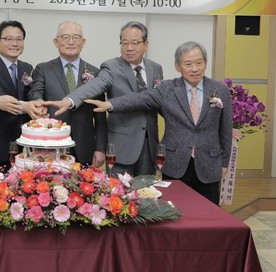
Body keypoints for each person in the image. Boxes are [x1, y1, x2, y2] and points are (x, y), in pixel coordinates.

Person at [74, 41, 233, 205]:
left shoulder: (220, 90)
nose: (194, 68)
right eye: (188, 64)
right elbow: (139, 99)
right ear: (177, 66)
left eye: (199, 63)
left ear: (205, 63)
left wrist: (224, 163)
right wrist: (109, 104)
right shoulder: (167, 89)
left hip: (209, 164)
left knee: (209, 211)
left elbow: (226, 130)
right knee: (175, 210)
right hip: (175, 163)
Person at [44, 21, 163, 177]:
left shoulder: (156, 68)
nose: (129, 48)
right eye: (124, 43)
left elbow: (157, 99)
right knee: (117, 191)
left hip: (149, 145)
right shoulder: (111, 67)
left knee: (147, 189)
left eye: (135, 43)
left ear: (145, 44)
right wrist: (69, 100)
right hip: (121, 147)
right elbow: (95, 85)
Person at [28, 21, 107, 166]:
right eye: (65, 37)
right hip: (51, 144)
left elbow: (100, 116)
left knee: (86, 181)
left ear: (83, 42)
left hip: (84, 147)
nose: (71, 42)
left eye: (76, 37)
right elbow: (35, 92)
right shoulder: (43, 69)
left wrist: (100, 148)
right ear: (56, 42)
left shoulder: (95, 73)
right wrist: (39, 103)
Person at [0, 20, 45, 176]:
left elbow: (32, 94)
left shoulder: (27, 68)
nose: (14, 43)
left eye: (19, 39)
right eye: (8, 39)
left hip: (23, 147)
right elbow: (3, 100)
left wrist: (39, 105)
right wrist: (27, 106)